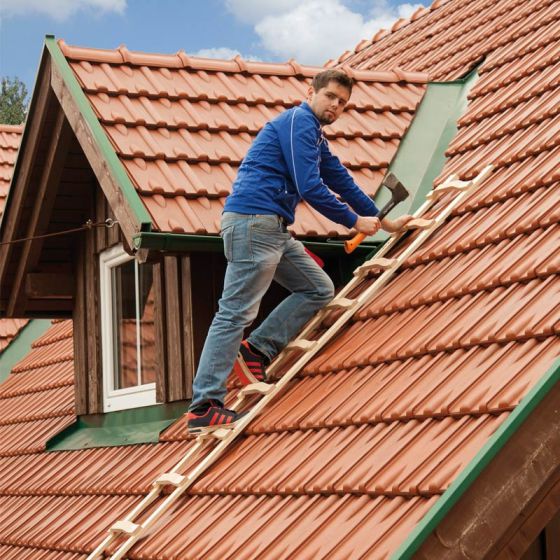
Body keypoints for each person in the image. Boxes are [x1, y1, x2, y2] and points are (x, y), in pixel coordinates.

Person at [187, 69, 413, 435]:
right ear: (311, 92)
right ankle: (205, 406)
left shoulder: (316, 139)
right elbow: (310, 186)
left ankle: (257, 350)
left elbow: (339, 179)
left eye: (343, 103)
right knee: (234, 312)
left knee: (318, 288)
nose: (336, 106)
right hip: (253, 223)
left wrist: (381, 219)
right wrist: (354, 222)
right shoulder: (298, 122)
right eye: (331, 98)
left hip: (274, 228)